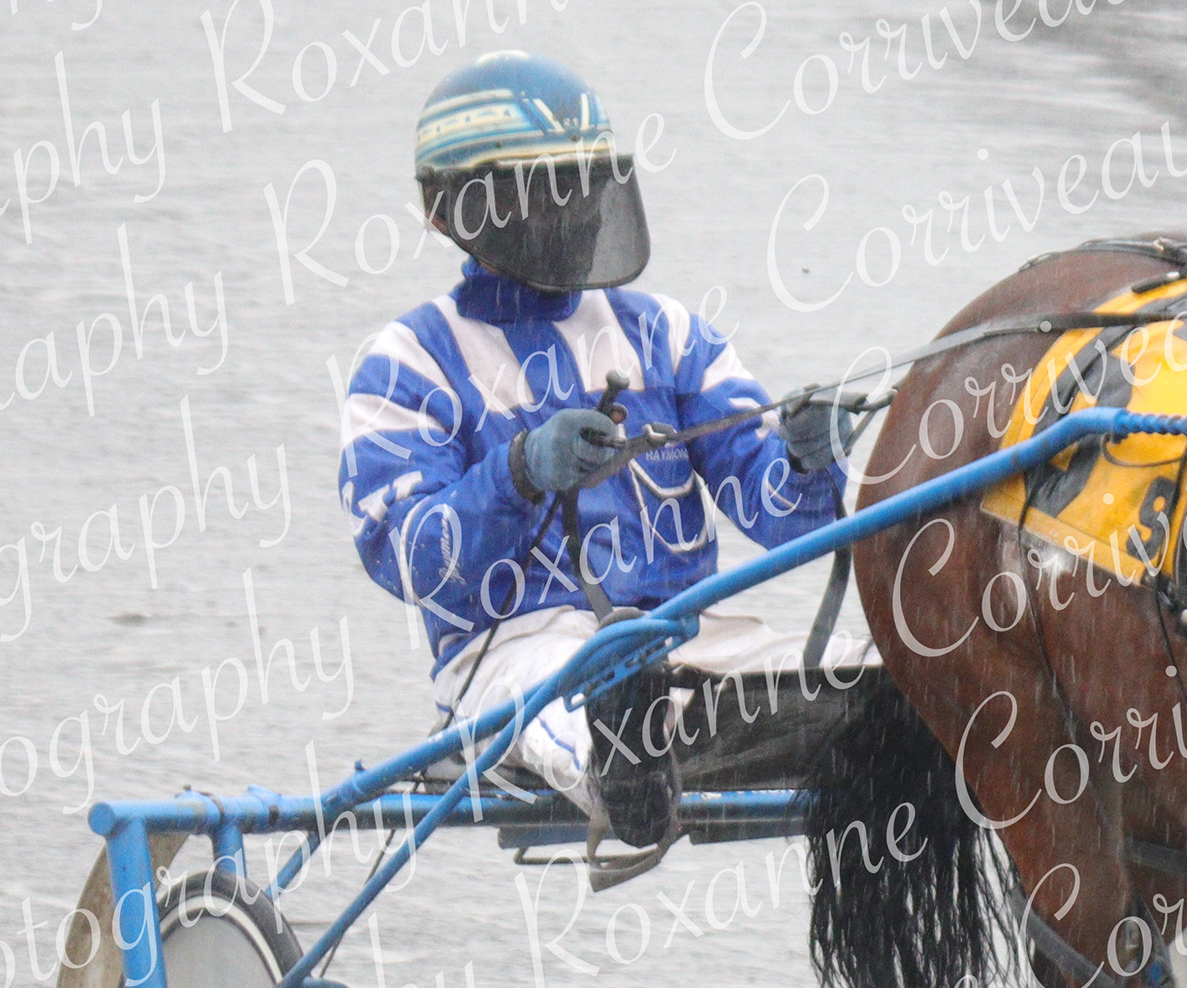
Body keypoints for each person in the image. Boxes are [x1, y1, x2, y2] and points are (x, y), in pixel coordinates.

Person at [338, 52, 866, 850]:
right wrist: (519, 472)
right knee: (577, 704)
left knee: (900, 685)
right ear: (456, 212)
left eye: (583, 188)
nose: (574, 214)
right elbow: (410, 562)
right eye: (544, 195)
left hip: (686, 640)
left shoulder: (668, 335)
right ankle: (626, 773)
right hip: (513, 656)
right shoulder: (406, 363)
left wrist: (806, 459)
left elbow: (785, 522)